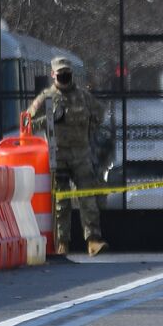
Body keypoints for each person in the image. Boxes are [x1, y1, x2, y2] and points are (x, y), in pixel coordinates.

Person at [27, 57, 108, 257]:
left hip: (81, 154)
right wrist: (50, 118)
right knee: (61, 201)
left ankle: (93, 240)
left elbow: (99, 114)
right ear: (53, 74)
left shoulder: (83, 96)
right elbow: (27, 123)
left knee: (88, 197)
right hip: (58, 155)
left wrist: (89, 128)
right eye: (60, 73)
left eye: (67, 72)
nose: (64, 76)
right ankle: (61, 242)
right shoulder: (46, 98)